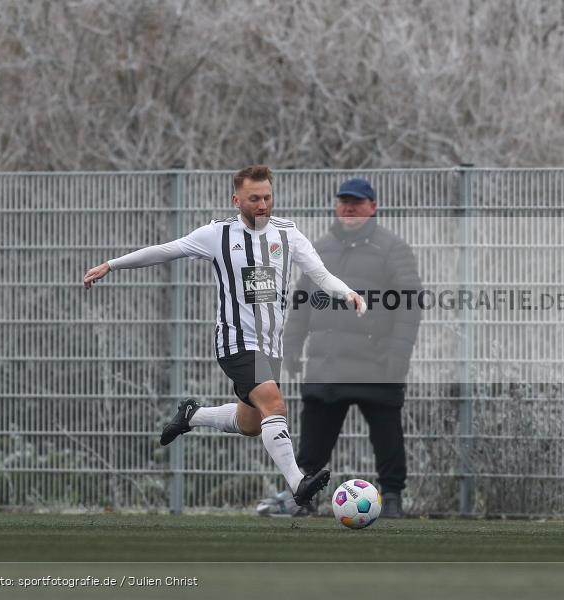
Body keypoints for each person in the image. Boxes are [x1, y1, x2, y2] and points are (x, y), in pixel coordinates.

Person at [82, 165, 368, 508]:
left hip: (269, 347)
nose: (263, 204)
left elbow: (320, 274)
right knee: (275, 406)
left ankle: (193, 415)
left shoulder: (288, 233)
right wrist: (112, 265)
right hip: (235, 341)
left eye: (267, 197)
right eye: (254, 199)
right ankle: (298, 484)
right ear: (237, 200)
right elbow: (165, 250)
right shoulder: (217, 235)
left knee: (251, 424)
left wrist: (347, 292)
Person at [283, 177, 421, 518]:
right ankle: (304, 497)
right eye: (344, 201)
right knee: (314, 441)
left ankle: (392, 499)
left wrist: (397, 360)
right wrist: (291, 346)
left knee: (387, 436)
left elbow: (409, 307)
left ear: (373, 208)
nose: (349, 207)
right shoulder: (319, 249)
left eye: (357, 202)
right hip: (326, 364)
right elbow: (301, 303)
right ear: (335, 205)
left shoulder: (393, 248)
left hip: (376, 364)